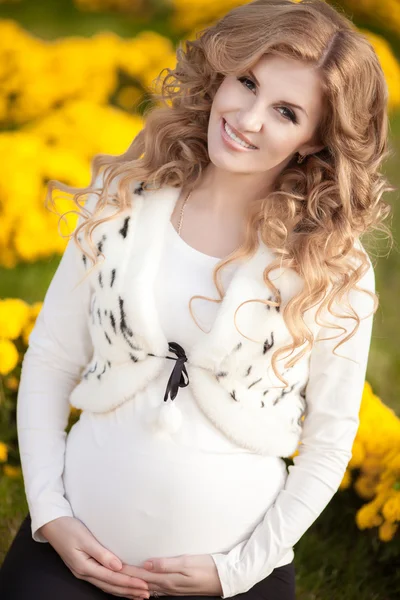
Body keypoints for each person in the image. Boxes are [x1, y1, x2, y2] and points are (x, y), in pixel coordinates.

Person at [0, 0, 394, 599]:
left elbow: (330, 442)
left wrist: (237, 571)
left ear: (316, 139)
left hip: (234, 576)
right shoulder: (123, 201)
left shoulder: (332, 268)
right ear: (222, 73)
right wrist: (51, 515)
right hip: (72, 553)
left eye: (285, 112)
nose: (248, 118)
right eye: (247, 83)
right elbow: (51, 361)